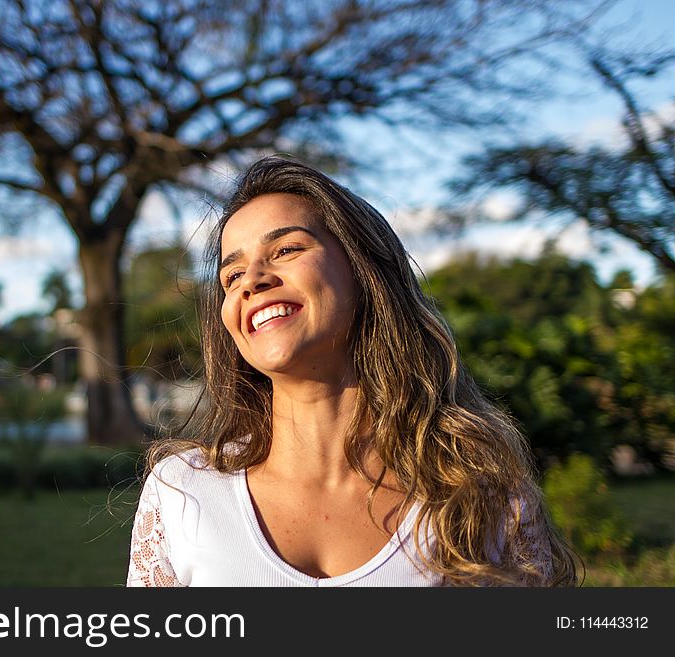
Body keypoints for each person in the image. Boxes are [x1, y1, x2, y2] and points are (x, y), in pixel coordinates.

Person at [126, 156, 580, 587]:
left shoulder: (481, 494)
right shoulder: (181, 493)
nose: (253, 280)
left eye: (285, 249)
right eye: (231, 275)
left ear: (364, 272)